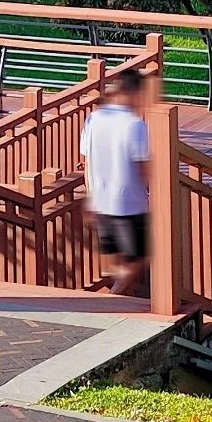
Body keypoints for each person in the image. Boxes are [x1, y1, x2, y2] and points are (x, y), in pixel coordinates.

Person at [80, 67, 150, 295]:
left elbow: (86, 160)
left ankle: (120, 303)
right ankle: (112, 298)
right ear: (133, 93)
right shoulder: (135, 124)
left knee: (119, 260)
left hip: (100, 199)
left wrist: (90, 197)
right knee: (139, 257)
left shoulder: (94, 118)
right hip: (129, 202)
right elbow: (142, 168)